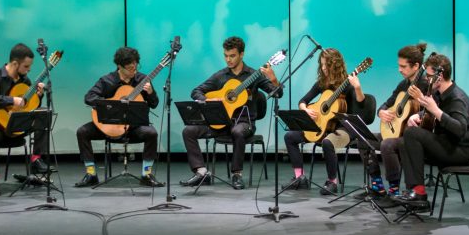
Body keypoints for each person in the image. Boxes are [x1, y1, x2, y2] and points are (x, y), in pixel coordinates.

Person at [182, 36, 280, 190]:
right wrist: (206, 101)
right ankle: (201, 172)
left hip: (244, 123)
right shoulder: (220, 75)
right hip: (220, 123)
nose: (228, 60)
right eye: (226, 56)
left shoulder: (255, 75)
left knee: (237, 131)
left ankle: (237, 174)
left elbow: (277, 94)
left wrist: (273, 79)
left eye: (232, 56)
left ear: (241, 54)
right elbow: (196, 91)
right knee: (189, 131)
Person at [395, 53, 469, 210]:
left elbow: (460, 130)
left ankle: (420, 195)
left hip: (460, 150)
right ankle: (415, 191)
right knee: (404, 139)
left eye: (429, 75)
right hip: (446, 144)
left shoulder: (457, 98)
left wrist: (436, 110)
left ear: (439, 78)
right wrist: (417, 115)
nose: (426, 79)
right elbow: (432, 112)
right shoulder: (439, 94)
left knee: (412, 134)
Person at [74, 47, 162, 187]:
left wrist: (151, 92)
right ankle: (91, 174)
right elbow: (89, 97)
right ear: (119, 66)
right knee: (82, 132)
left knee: (151, 133)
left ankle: (147, 174)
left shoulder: (142, 80)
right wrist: (110, 104)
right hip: (110, 126)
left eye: (135, 65)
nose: (134, 70)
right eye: (129, 68)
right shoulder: (107, 80)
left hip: (133, 127)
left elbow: (154, 104)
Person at [284, 48, 367, 195]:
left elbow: (361, 104)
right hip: (322, 126)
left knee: (328, 142)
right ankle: (300, 178)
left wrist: (358, 87)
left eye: (326, 65)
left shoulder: (347, 84)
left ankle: (332, 182)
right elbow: (303, 101)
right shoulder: (321, 84)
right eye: (321, 64)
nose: (323, 68)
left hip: (343, 128)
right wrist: (306, 110)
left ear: (335, 65)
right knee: (290, 136)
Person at [0, 43, 50, 196]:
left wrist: (39, 96)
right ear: (15, 63)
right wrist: (11, 100)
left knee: (43, 113)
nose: (28, 70)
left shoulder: (25, 81)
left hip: (16, 125)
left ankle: (36, 158)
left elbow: (29, 106)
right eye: (26, 66)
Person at [369, 42, 430, 197]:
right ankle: (377, 184)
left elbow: (431, 112)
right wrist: (381, 112)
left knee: (387, 144)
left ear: (416, 66)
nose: (399, 69)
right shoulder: (403, 84)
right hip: (396, 131)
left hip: (413, 137)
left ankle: (394, 189)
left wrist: (420, 110)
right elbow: (387, 103)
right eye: (399, 65)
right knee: (365, 139)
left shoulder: (426, 84)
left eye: (403, 66)